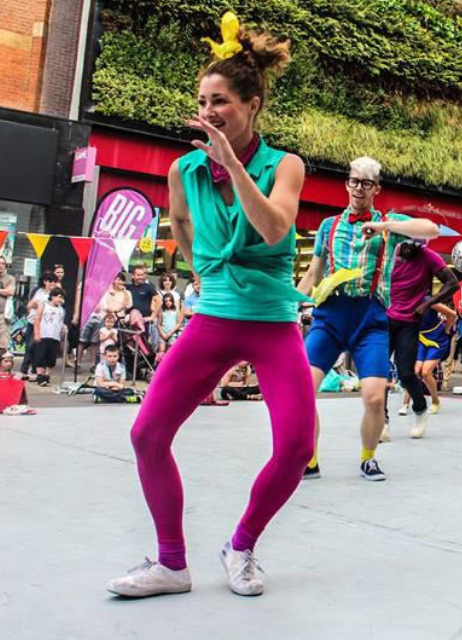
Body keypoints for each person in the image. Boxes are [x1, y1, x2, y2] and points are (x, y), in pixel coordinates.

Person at [106, 15, 314, 599]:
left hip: (273, 325)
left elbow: (274, 231)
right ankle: (171, 563)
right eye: (202, 100)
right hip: (215, 317)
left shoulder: (285, 165)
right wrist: (208, 273)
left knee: (297, 447)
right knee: (148, 434)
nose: (208, 110)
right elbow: (181, 225)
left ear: (252, 105)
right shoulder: (184, 170)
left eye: (220, 100)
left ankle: (241, 546)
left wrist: (234, 163)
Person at [297, 156, 439, 481]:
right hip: (330, 316)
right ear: (347, 183)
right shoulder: (328, 226)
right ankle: (310, 459)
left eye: (365, 183)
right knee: (303, 390)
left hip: (371, 319)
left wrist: (385, 226)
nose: (358, 188)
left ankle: (368, 458)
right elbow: (313, 273)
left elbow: (432, 230)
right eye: (353, 181)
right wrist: (292, 305)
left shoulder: (390, 226)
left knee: (375, 397)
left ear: (376, 188)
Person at [386, 238, 458, 438]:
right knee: (378, 373)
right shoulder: (389, 251)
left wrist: (426, 305)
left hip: (410, 323)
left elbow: (453, 284)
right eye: (405, 246)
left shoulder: (429, 256)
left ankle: (420, 408)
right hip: (385, 319)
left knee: (407, 373)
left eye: (414, 247)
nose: (408, 250)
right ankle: (382, 420)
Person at [401, 303, 456, 428]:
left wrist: (447, 329)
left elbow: (452, 314)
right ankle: (405, 404)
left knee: (426, 372)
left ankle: (435, 401)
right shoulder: (407, 301)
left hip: (437, 340)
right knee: (414, 372)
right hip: (421, 339)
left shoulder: (429, 301)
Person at [80, 273, 132, 371]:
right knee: (101, 343)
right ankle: (98, 365)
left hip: (120, 320)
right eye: (118, 280)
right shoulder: (107, 292)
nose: (120, 282)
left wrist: (124, 293)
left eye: (122, 280)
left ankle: (115, 365)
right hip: (107, 319)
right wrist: (115, 310)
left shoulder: (127, 293)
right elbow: (105, 306)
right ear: (113, 281)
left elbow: (128, 305)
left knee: (116, 343)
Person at [22, 271, 58, 376]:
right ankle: (25, 369)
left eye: (54, 281)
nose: (52, 283)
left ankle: (34, 369)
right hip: (31, 321)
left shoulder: (54, 294)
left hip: (43, 324)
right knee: (29, 346)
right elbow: (29, 305)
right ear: (45, 281)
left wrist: (39, 305)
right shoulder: (39, 291)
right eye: (50, 281)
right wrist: (37, 304)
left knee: (36, 347)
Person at [32, 287, 66, 387]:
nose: (60, 299)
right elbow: (37, 319)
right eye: (59, 297)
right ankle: (39, 375)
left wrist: (63, 330)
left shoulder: (61, 310)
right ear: (53, 296)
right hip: (44, 334)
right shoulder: (44, 306)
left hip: (54, 336)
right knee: (41, 355)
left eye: (61, 297)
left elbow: (61, 321)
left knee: (51, 356)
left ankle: (47, 374)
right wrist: (37, 333)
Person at [126, 265, 162, 350]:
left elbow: (159, 301)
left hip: (143, 321)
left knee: (142, 346)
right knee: (129, 346)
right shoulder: (128, 287)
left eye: (142, 275)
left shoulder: (148, 287)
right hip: (130, 322)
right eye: (138, 275)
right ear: (133, 276)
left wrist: (152, 316)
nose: (141, 277)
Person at [0, 256, 15, 357]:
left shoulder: (10, 278)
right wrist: (4, 292)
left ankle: (0, 370)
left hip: (4, 316)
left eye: (3, 264)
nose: (1, 266)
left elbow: (11, 292)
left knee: (3, 346)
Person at [155, 293, 184, 363]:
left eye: (169, 301)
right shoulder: (162, 312)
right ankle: (158, 366)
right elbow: (159, 324)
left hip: (172, 335)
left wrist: (170, 333)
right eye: (166, 301)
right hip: (163, 334)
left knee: (171, 352)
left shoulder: (176, 311)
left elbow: (178, 323)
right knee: (161, 351)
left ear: (172, 301)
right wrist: (162, 334)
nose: (168, 303)